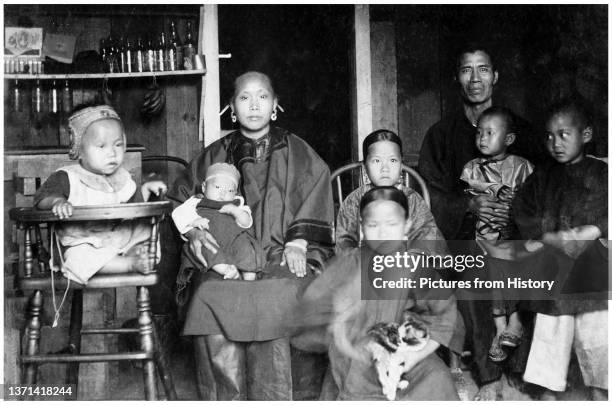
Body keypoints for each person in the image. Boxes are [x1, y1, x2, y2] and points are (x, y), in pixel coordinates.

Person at [167, 71, 334, 400]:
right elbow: (180, 198)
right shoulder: (214, 154)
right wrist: (193, 234)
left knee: (278, 293)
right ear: (232, 107)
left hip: (281, 252)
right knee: (210, 294)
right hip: (225, 258)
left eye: (262, 97)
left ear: (275, 105)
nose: (254, 105)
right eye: (244, 97)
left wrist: (298, 242)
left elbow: (316, 190)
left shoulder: (297, 150)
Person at [417, 44, 545, 400]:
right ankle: (489, 375)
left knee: (532, 260)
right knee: (472, 264)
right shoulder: (441, 135)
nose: (475, 79)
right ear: (456, 77)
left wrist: (515, 212)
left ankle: (519, 369)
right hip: (463, 236)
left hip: (514, 235)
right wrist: (468, 205)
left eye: (483, 69)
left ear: (496, 76)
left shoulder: (523, 132)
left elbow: (544, 188)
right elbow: (431, 196)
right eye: (466, 70)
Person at [298, 187, 461, 400]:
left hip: (403, 349)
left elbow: (444, 315)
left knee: (437, 377)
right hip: (357, 351)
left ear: (406, 228)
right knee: (357, 377)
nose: (383, 233)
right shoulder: (351, 262)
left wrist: (413, 357)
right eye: (373, 225)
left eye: (392, 225)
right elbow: (314, 306)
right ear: (362, 229)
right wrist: (340, 321)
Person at [513, 99, 608, 401]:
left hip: (595, 262)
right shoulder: (543, 175)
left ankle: (601, 383)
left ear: (587, 135)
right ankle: (547, 384)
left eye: (564, 134)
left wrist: (595, 230)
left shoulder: (602, 173)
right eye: (549, 136)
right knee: (553, 319)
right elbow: (522, 210)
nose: (555, 143)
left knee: (597, 324)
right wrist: (547, 238)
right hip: (554, 261)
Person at [34, 104, 166, 285]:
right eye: (101, 146)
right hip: (83, 242)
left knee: (145, 229)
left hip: (117, 239)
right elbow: (41, 198)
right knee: (77, 259)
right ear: (79, 149)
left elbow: (133, 208)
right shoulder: (67, 177)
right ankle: (127, 264)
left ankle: (136, 254)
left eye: (118, 144)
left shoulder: (124, 178)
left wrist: (145, 191)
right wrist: (57, 201)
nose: (112, 153)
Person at [459, 106, 534, 363]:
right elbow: (466, 201)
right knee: (491, 260)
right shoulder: (471, 168)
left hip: (512, 236)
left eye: (490, 133)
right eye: (479, 132)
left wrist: (516, 205)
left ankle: (513, 321)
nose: (482, 138)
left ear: (509, 139)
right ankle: (503, 326)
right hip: (482, 238)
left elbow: (529, 205)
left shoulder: (522, 167)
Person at [335, 129, 443, 254]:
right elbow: (344, 242)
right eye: (377, 161)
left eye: (392, 160)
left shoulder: (412, 199)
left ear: (401, 165)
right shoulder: (354, 200)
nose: (385, 168)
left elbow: (427, 237)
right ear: (365, 167)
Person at [171, 162, 262, 281]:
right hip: (208, 238)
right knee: (207, 250)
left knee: (246, 248)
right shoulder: (195, 201)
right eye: (217, 187)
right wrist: (194, 221)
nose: (223, 193)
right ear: (204, 187)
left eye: (230, 190)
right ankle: (226, 269)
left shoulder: (237, 204)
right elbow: (178, 214)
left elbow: (247, 223)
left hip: (233, 240)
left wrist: (236, 212)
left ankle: (249, 276)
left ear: (235, 193)